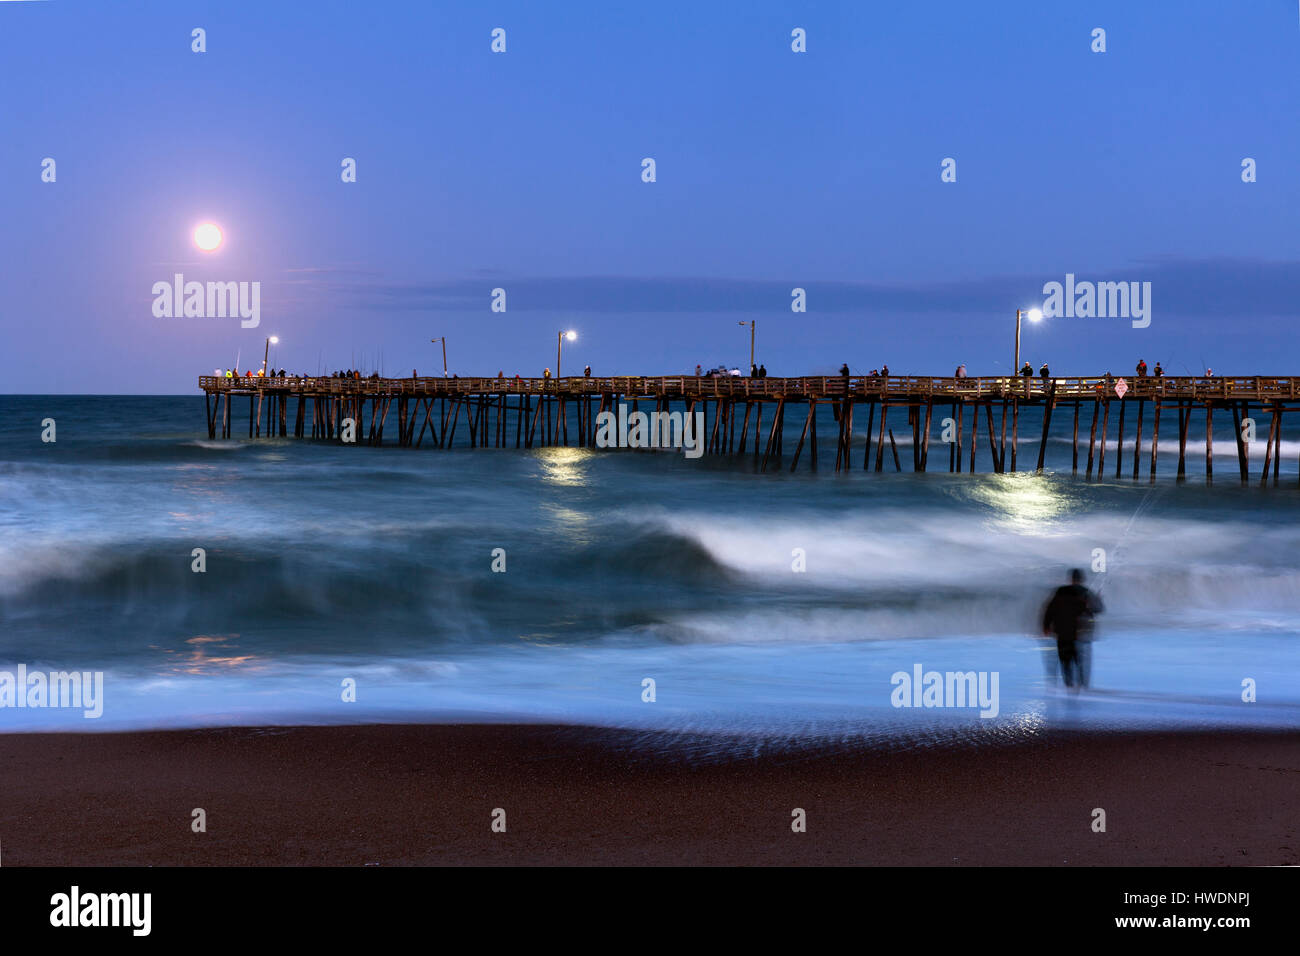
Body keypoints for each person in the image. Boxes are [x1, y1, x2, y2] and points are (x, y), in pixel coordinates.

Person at [1041, 569, 1104, 689]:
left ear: (1070, 579)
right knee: (1081, 661)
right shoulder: (1086, 593)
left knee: (1065, 661)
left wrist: (1046, 626)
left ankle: (1069, 685)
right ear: (1081, 579)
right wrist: (1099, 599)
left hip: (1062, 632)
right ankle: (1082, 685)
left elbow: (1050, 609)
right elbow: (1099, 609)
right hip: (1080, 634)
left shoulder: (1060, 591)